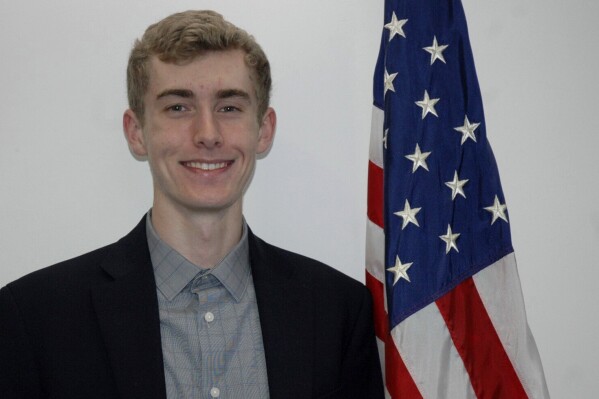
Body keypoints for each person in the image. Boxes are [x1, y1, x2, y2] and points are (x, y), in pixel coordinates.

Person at [0, 10, 383, 399]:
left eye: (229, 107)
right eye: (178, 107)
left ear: (263, 131)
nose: (208, 134)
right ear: (137, 133)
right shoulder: (35, 319)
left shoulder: (337, 313)